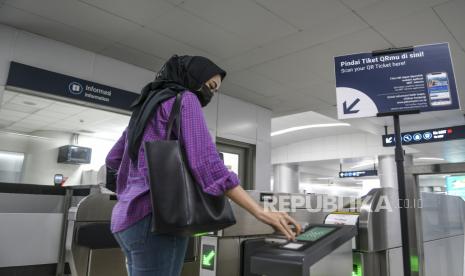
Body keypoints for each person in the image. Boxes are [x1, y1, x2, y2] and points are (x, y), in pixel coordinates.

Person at [106, 55, 301, 276]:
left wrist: (132, 190)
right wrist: (261, 212)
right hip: (157, 220)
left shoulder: (143, 109)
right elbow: (207, 165)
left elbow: (113, 160)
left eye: (214, 91)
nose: (209, 95)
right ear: (192, 77)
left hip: (125, 221)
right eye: (209, 86)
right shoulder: (185, 98)